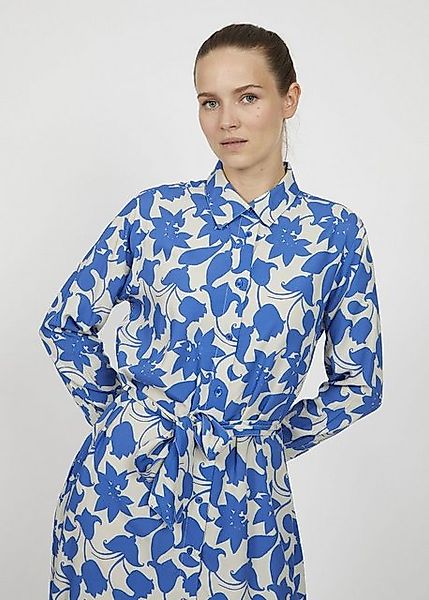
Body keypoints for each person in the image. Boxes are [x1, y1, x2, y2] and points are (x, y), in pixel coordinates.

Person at [38, 22, 383, 600]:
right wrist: (126, 420)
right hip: (121, 497)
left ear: (289, 99)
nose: (226, 121)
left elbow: (359, 383)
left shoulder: (334, 234)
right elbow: (65, 324)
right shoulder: (153, 216)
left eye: (247, 97)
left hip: (248, 508)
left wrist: (262, 443)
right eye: (209, 102)